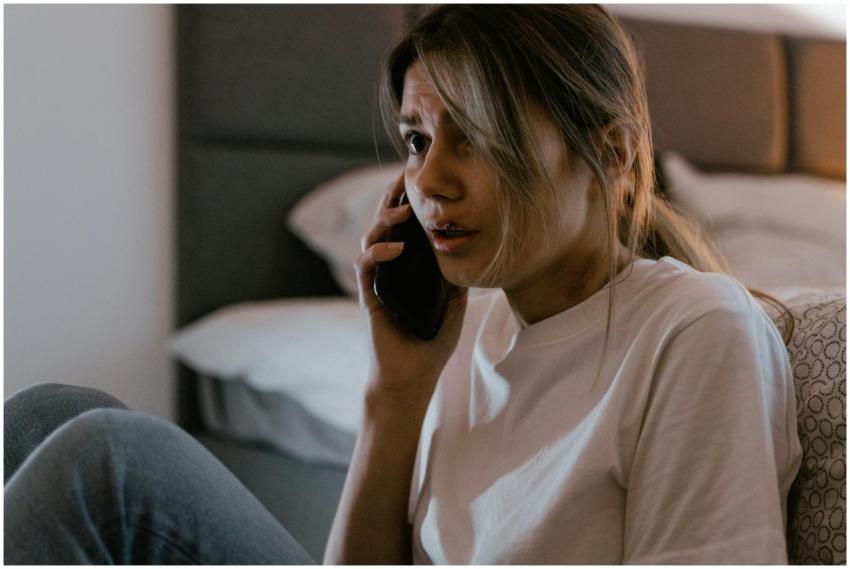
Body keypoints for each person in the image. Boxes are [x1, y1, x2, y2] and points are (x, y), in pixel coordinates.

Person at [4, 5, 801, 565]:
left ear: (614, 153)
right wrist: (397, 391)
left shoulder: (694, 330)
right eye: (418, 140)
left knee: (107, 463)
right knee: (47, 414)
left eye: (476, 135)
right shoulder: (465, 326)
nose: (430, 182)